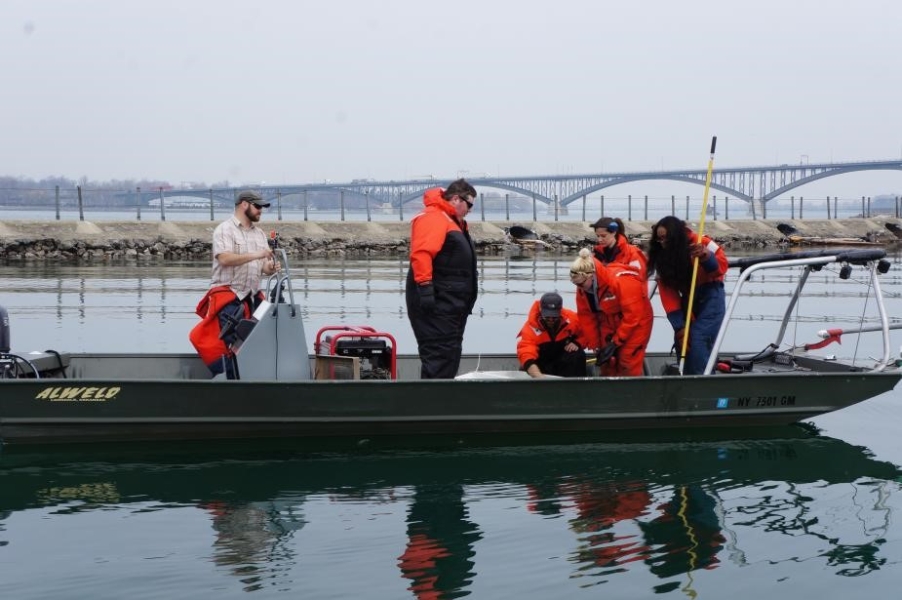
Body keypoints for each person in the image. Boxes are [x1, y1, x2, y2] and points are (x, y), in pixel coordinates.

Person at [189, 190, 280, 376]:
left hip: (253, 298)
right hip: (228, 297)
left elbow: (263, 267)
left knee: (259, 341)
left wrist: (270, 268)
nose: (261, 210)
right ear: (244, 204)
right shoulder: (224, 229)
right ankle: (231, 380)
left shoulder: (260, 234)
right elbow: (224, 259)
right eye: (257, 206)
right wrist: (258, 254)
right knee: (231, 344)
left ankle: (252, 378)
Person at [405, 178, 478, 379]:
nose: (470, 210)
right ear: (456, 199)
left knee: (448, 355)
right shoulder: (435, 218)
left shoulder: (453, 221)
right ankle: (431, 405)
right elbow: (422, 254)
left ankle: (440, 403)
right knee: (439, 356)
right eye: (469, 204)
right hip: (438, 305)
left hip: (452, 306)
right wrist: (426, 290)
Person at [646, 215, 729, 375]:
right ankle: (685, 377)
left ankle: (702, 382)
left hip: (711, 295)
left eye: (666, 238)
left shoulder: (702, 242)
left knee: (699, 338)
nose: (663, 243)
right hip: (688, 298)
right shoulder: (662, 258)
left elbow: (721, 268)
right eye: (659, 239)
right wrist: (679, 326)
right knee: (683, 340)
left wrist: (706, 257)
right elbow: (669, 295)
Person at [569, 248, 653, 377]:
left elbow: (633, 316)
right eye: (575, 284)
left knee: (627, 360)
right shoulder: (583, 290)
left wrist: (615, 342)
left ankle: (630, 393)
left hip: (638, 323)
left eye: (581, 284)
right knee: (606, 362)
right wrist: (596, 346)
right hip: (608, 321)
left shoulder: (621, 282)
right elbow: (587, 319)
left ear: (591, 276)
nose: (579, 288)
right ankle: (609, 393)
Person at [516, 292, 587, 378]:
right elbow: (526, 352)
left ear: (560, 311)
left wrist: (577, 343)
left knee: (577, 354)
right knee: (526, 366)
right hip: (542, 365)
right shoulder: (530, 328)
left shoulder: (572, 319)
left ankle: (575, 387)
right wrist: (538, 376)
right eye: (547, 317)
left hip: (563, 363)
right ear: (540, 310)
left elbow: (587, 334)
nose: (550, 320)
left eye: (554, 317)